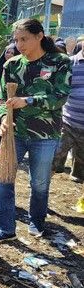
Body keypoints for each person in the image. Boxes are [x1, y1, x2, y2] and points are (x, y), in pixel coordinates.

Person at [0, 19, 72, 243]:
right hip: (14, 133)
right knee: (4, 180)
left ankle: (37, 221)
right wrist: (3, 118)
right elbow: (3, 98)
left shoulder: (59, 62)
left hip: (45, 135)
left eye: (24, 39)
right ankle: (6, 228)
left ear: (39, 36)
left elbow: (60, 97)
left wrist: (28, 100)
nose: (19, 44)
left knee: (39, 183)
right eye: (16, 40)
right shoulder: (11, 65)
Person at [52, 38, 84, 185]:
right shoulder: (69, 63)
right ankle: (41, 185)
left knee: (80, 166)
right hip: (68, 121)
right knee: (55, 156)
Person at [0, 43, 20, 155]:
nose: (10, 55)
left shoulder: (18, 66)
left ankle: (9, 146)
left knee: (12, 122)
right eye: (8, 52)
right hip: (0, 98)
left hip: (15, 99)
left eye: (13, 52)